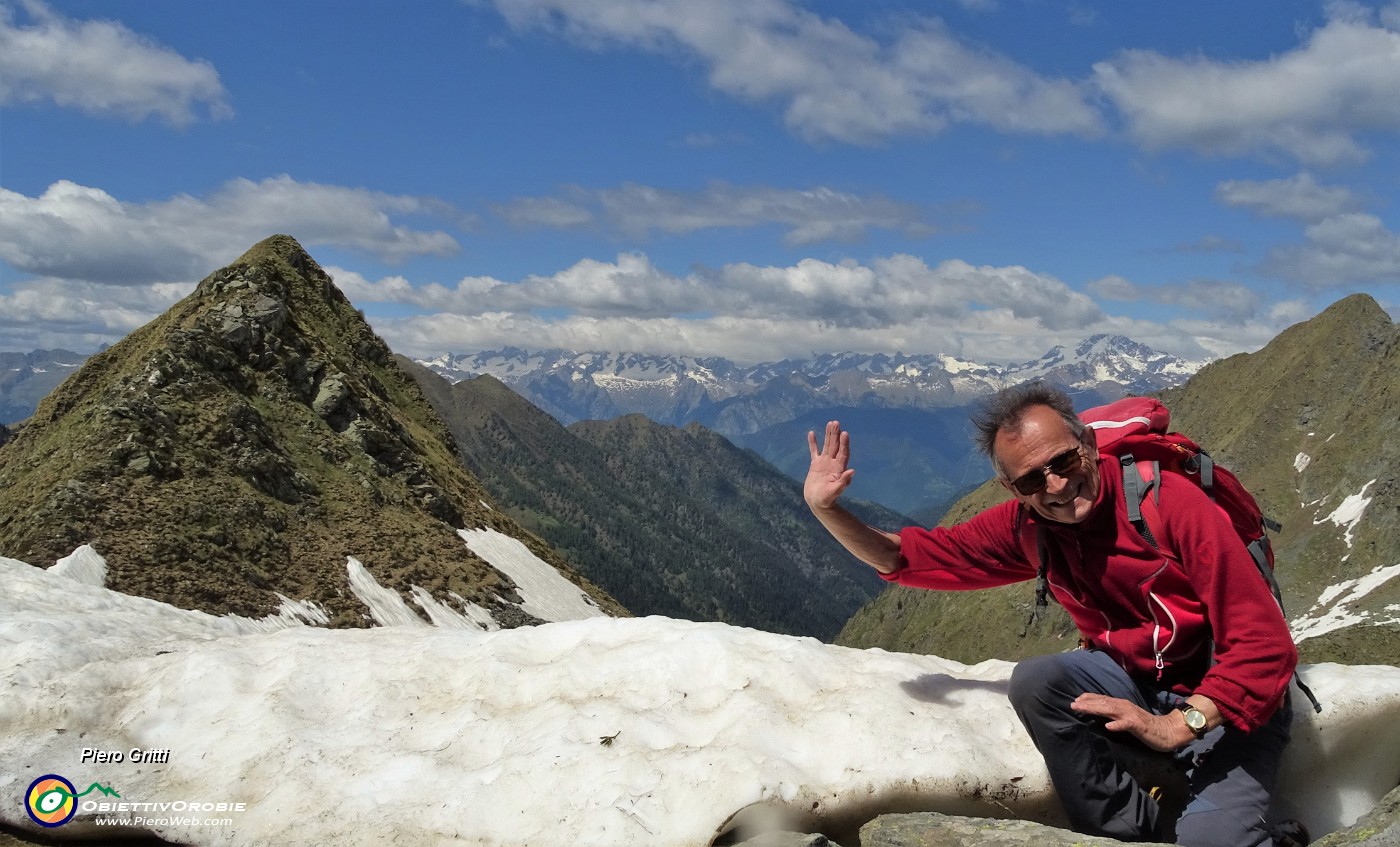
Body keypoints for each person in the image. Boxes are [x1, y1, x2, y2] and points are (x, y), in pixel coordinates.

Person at [804, 381, 1298, 847]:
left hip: (1224, 698)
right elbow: (910, 557)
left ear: (1086, 442)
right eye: (1032, 479)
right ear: (1009, 487)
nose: (1057, 485)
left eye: (1063, 460)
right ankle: (1126, 835)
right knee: (1041, 679)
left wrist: (1179, 725)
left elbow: (1266, 648)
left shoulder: (1170, 505)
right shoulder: (1029, 525)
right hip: (1136, 682)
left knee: (1212, 842)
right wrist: (828, 511)